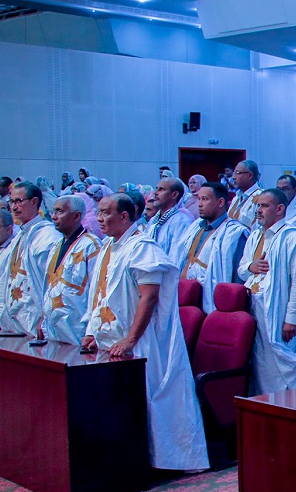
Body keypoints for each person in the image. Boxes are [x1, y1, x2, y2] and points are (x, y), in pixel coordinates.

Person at [82, 194, 208, 472]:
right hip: (111, 338)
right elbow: (100, 294)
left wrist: (131, 338)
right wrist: (92, 330)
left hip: (142, 340)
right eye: (98, 212)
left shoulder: (142, 248)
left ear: (124, 216)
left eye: (105, 213)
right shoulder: (109, 246)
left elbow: (149, 297)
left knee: (150, 399)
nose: (99, 218)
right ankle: (131, 460)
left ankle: (162, 460)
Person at [238, 189, 296, 395]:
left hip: (281, 313)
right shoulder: (255, 236)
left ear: (279, 209)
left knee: (288, 370)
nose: (258, 210)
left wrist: (291, 319)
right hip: (256, 309)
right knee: (263, 365)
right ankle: (266, 404)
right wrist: (251, 266)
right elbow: (241, 269)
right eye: (258, 205)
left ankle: (293, 405)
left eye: (264, 206)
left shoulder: (294, 238)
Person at [0, 182, 59, 336]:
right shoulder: (19, 236)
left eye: (18, 201)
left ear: (34, 202)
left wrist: (45, 316)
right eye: (11, 202)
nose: (14, 207)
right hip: (16, 318)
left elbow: (50, 282)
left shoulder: (48, 236)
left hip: (35, 317)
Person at [178, 182, 249, 313]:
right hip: (186, 297)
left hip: (212, 301)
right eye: (199, 199)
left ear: (220, 202)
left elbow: (237, 277)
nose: (199, 204)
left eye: (205, 199)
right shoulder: (195, 226)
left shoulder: (234, 233)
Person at [41, 196, 101, 344]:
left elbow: (97, 290)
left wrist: (92, 331)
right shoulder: (56, 245)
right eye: (53, 211)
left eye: (60, 211)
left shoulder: (91, 245)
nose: (54, 217)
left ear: (76, 216)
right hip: (53, 329)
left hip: (78, 329)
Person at [147, 178, 195, 265]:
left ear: (174, 194)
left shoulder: (182, 222)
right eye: (156, 188)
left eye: (161, 189)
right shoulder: (153, 221)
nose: (155, 193)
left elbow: (177, 259)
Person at [226, 160, 263, 228]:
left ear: (249, 175)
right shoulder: (237, 197)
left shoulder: (261, 197)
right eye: (234, 173)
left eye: (237, 173)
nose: (233, 177)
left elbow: (260, 228)